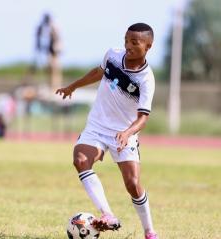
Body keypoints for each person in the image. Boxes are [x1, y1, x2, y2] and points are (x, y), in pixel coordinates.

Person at [56, 23, 158, 239]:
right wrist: (72, 86)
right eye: (126, 40)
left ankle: (149, 231)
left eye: (134, 42)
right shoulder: (112, 55)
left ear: (148, 46)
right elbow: (98, 73)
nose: (128, 45)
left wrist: (128, 133)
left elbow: (143, 117)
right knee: (80, 159)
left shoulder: (146, 79)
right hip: (97, 126)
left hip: (124, 133)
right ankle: (107, 214)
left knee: (132, 184)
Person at [36, 13, 63, 90]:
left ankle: (54, 87)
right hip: (52, 50)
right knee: (51, 69)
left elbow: (55, 38)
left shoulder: (53, 26)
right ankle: (52, 86)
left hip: (54, 50)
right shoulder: (50, 26)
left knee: (54, 68)